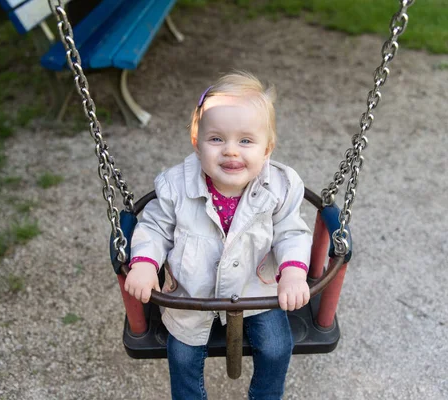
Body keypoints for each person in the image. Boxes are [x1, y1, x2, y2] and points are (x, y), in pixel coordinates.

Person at [125, 71, 312, 400]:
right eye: (216, 139)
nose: (230, 151)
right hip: (190, 292)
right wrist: (143, 263)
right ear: (197, 142)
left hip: (257, 290)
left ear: (267, 148)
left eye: (245, 140)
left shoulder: (280, 186)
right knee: (181, 356)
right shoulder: (175, 186)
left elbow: (291, 232)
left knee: (277, 347)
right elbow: (154, 227)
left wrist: (294, 273)